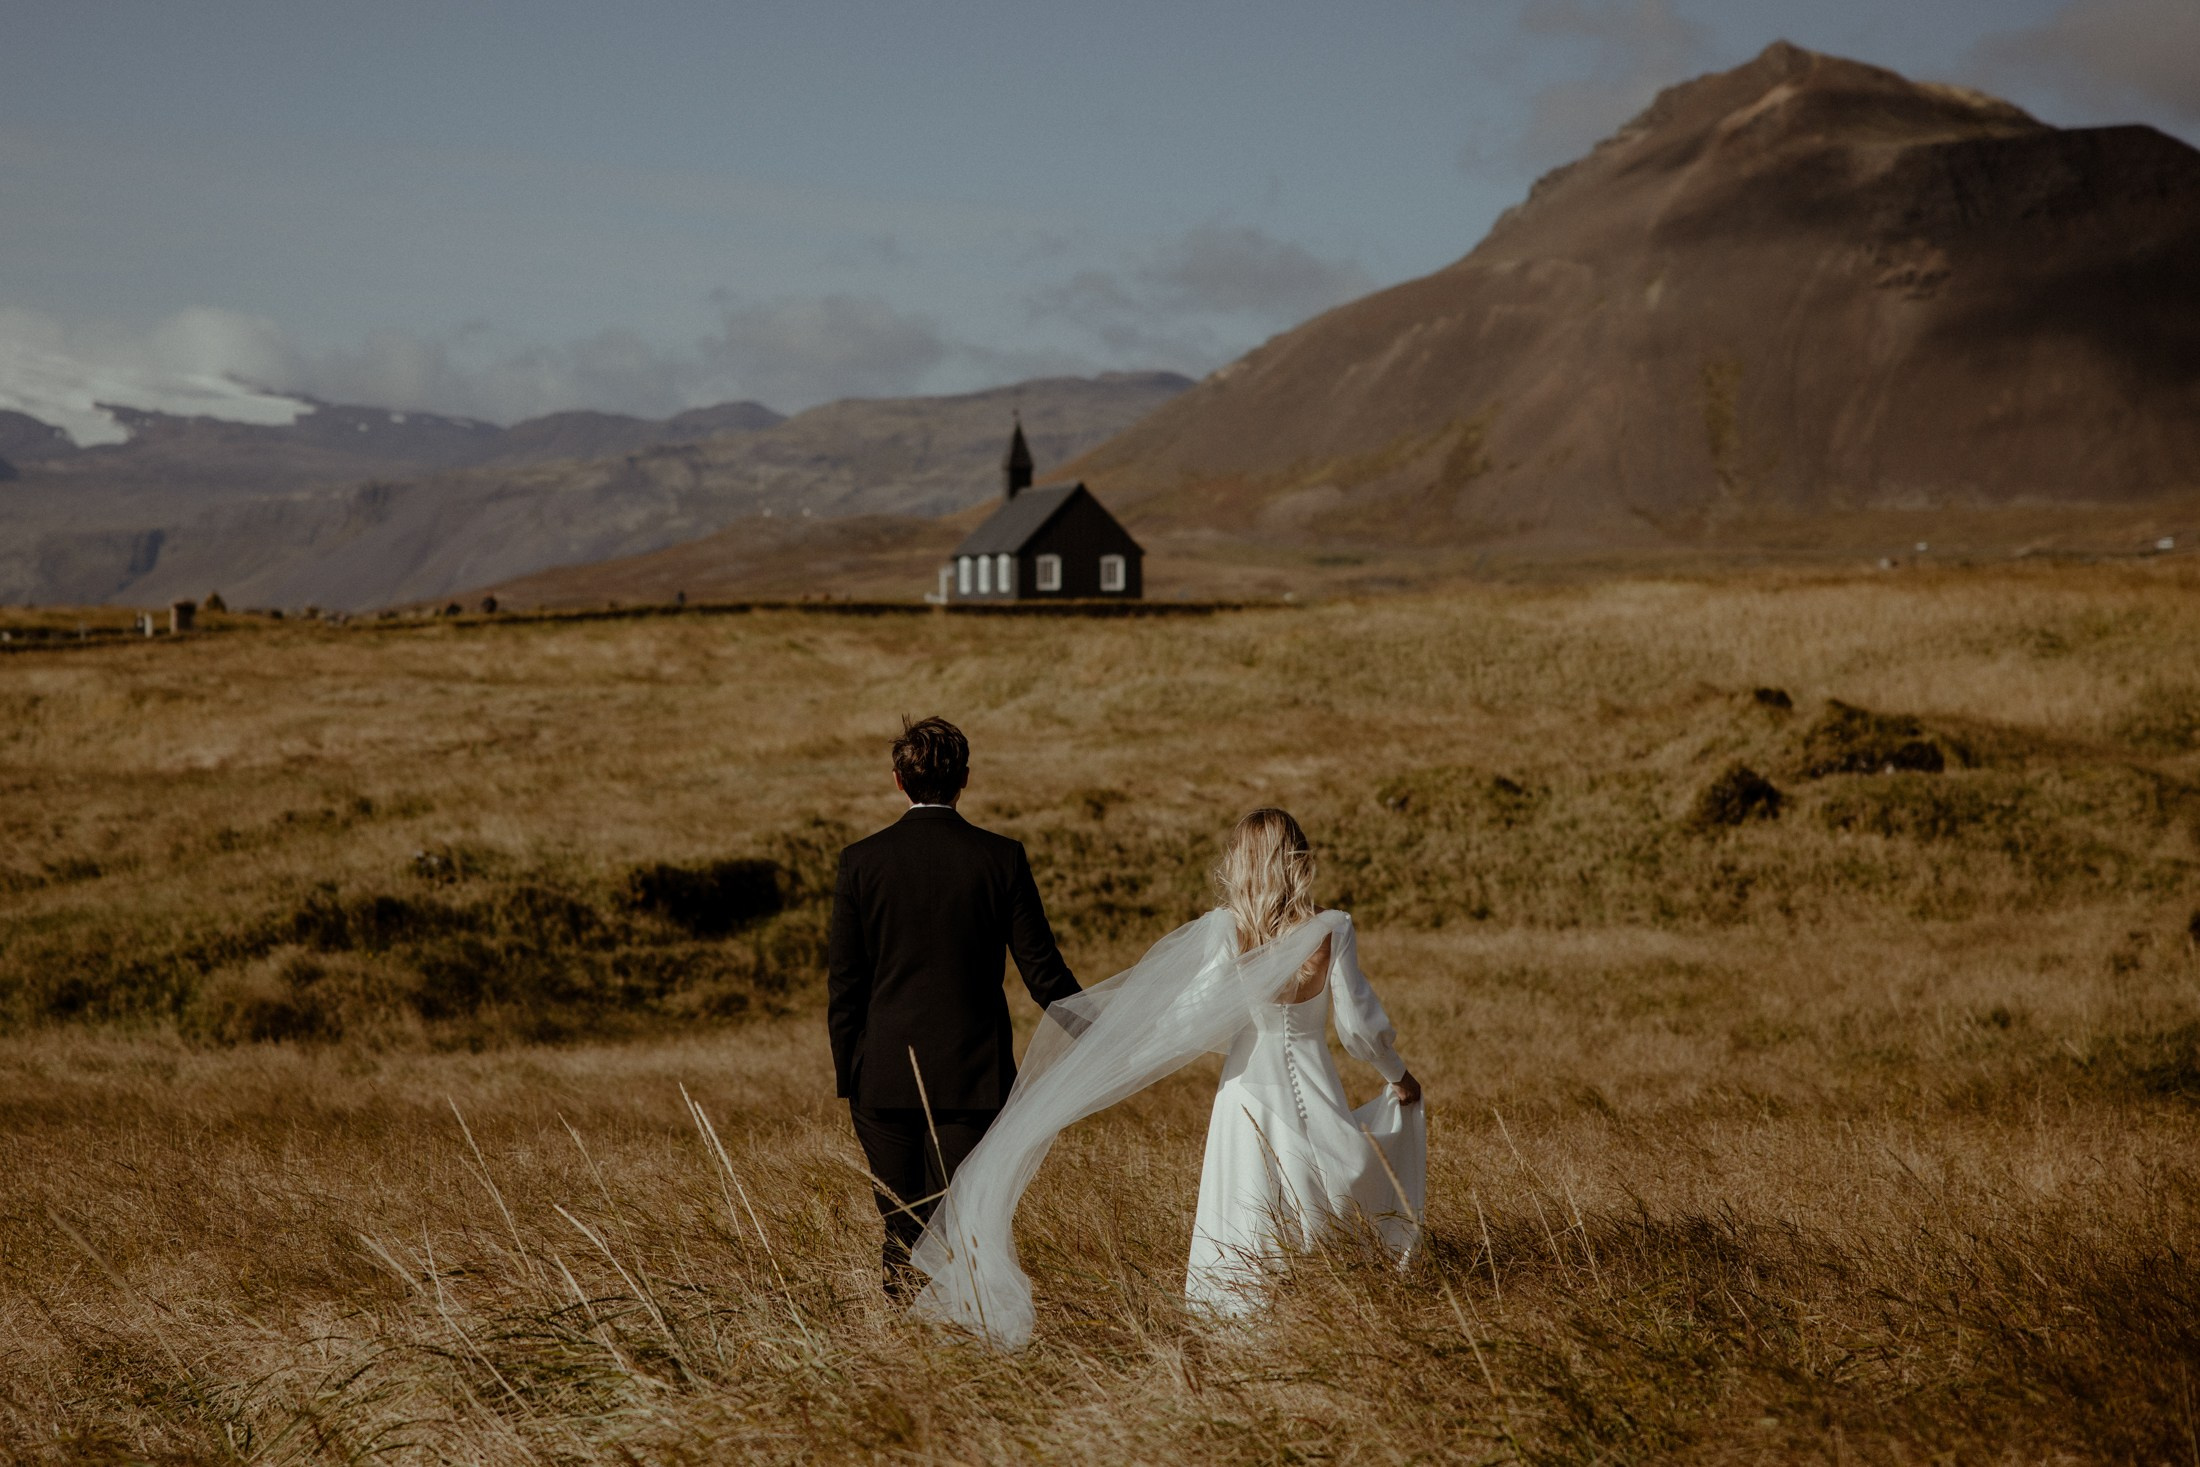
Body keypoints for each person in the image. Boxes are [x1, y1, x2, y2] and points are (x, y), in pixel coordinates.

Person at [910, 807, 1425, 1349]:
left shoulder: (1228, 928)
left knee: (1247, 1211)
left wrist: (1132, 1045)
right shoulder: (1332, 928)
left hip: (1245, 1094)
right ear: (1297, 858)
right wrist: (1397, 1075)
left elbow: (1194, 1014)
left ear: (1241, 862)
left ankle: (1242, 1328)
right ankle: (1329, 1317)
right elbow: (1360, 1028)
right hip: (1316, 1087)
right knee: (1323, 1197)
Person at [827, 716, 1081, 1301]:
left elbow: (845, 984)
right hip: (974, 1078)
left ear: (898, 780)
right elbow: (1045, 976)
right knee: (960, 1226)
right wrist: (1106, 1029)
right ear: (965, 778)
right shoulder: (1001, 858)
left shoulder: (861, 860)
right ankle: (963, 1337)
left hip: (881, 1079)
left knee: (902, 1228)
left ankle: (901, 1334)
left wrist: (853, 1074)